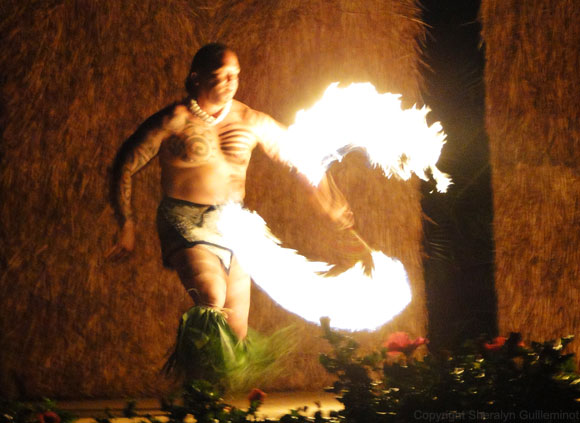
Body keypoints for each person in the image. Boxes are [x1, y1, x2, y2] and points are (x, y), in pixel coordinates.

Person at [107, 43, 358, 343]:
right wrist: (127, 223)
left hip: (234, 223)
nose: (230, 82)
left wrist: (328, 200)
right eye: (221, 74)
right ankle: (195, 383)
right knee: (213, 295)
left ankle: (208, 386)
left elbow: (301, 158)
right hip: (185, 220)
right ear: (196, 77)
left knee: (236, 329)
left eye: (235, 75)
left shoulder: (250, 121)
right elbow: (125, 164)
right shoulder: (175, 119)